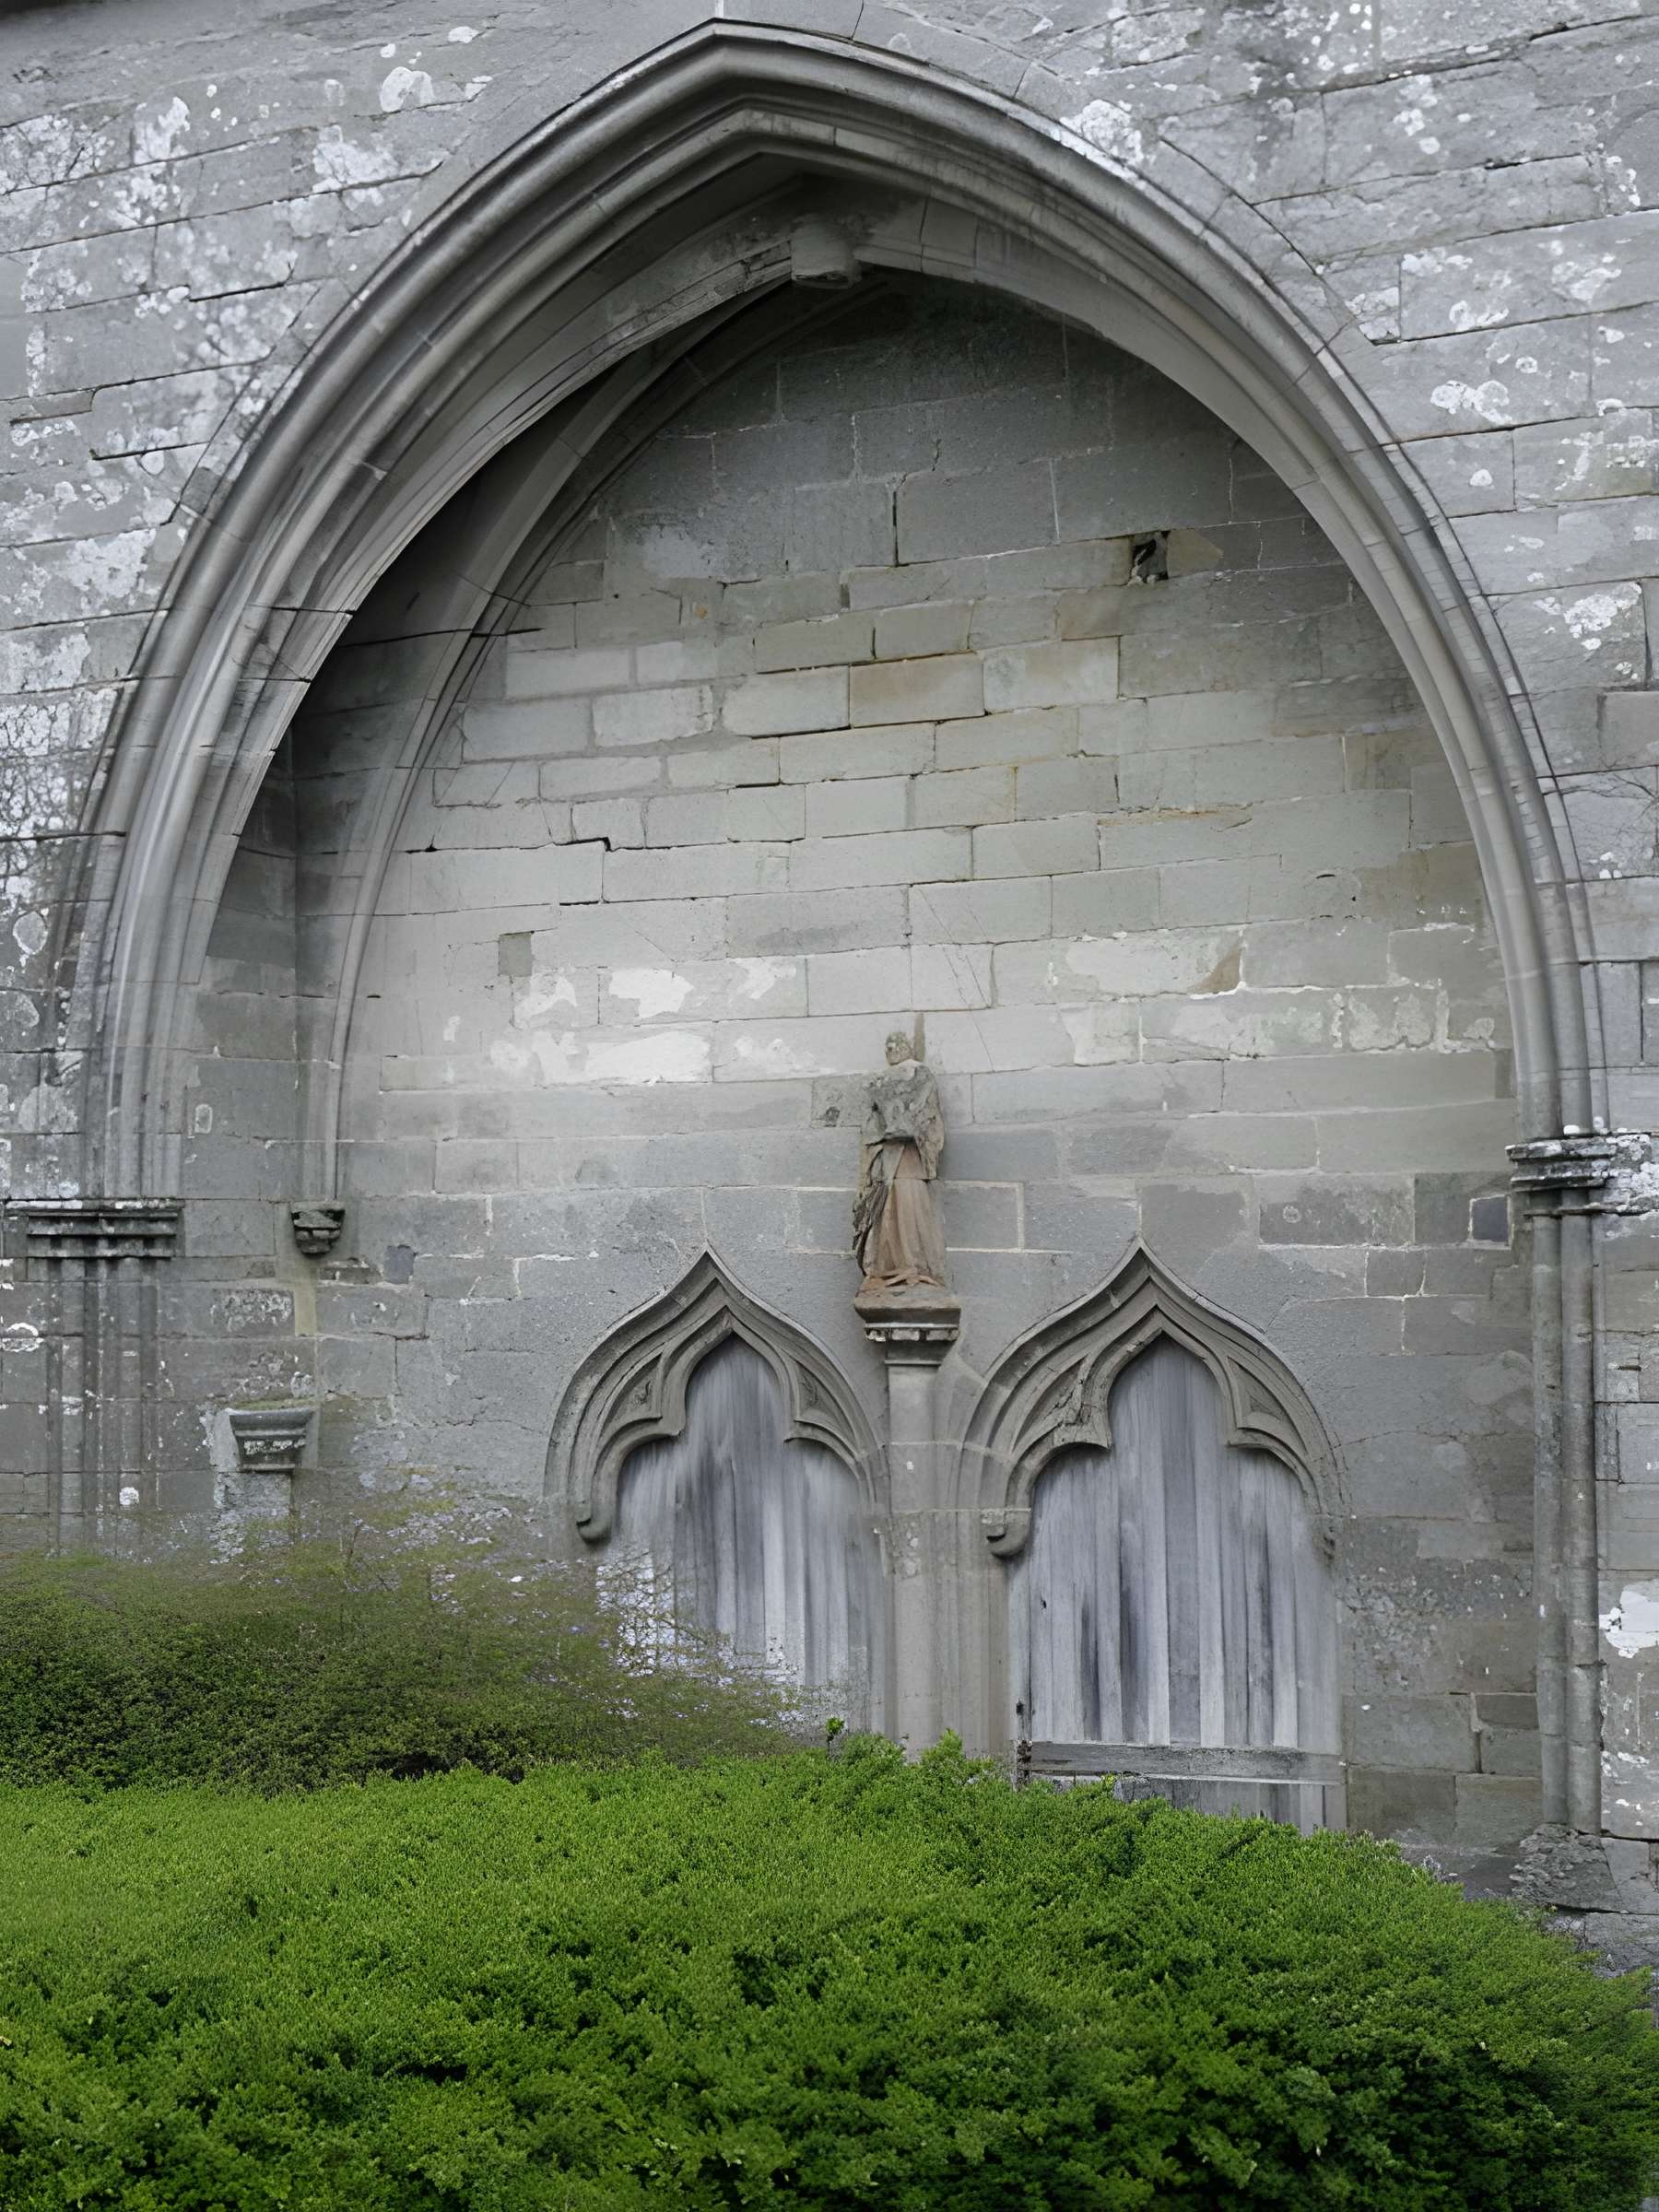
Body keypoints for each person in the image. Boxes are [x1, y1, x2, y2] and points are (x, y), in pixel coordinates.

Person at [853, 1031, 949, 1296]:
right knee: (887, 1207)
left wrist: (904, 1129)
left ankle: (913, 1267)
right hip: (888, 1158)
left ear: (908, 1047)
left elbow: (925, 1119)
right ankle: (886, 1269)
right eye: (889, 1046)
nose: (892, 1049)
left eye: (898, 1044)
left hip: (909, 1157)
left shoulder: (919, 1075)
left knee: (908, 1203)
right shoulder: (880, 1081)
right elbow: (871, 1127)